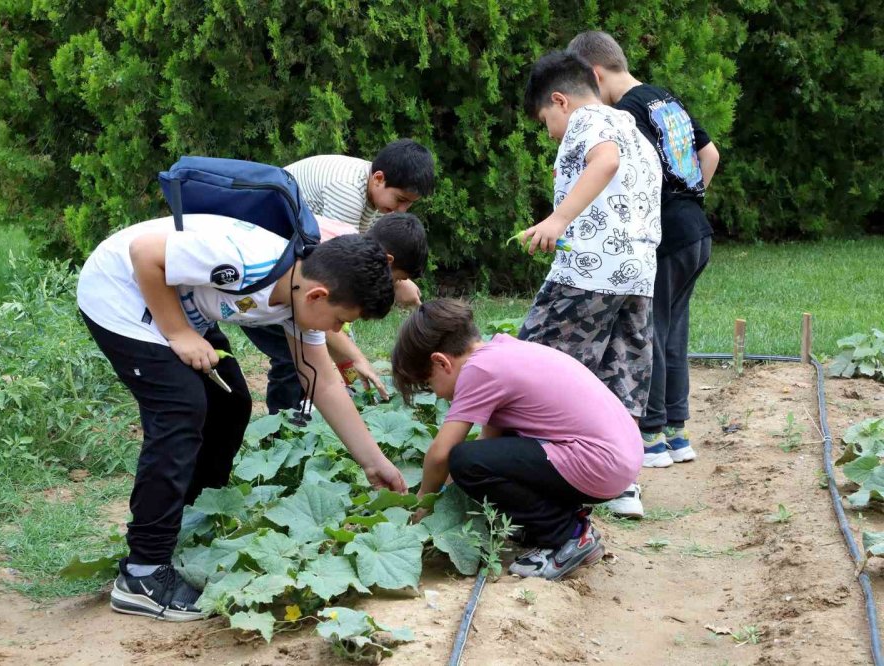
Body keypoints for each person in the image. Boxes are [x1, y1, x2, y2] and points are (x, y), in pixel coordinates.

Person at [77, 214, 406, 621]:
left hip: (177, 300)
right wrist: (179, 334)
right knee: (181, 408)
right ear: (318, 296)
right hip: (121, 292)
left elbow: (321, 381)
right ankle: (143, 574)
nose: (339, 330)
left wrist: (375, 463)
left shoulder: (298, 293)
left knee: (229, 403)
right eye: (342, 321)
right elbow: (145, 254)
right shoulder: (244, 262)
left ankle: (185, 523)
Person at [392, 299, 642, 580]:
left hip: (599, 465)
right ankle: (560, 519)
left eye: (429, 384)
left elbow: (442, 454)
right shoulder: (502, 351)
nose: (436, 393)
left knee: (463, 458)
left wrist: (424, 502)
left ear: (441, 362)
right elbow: (492, 442)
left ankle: (566, 536)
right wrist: (449, 503)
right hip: (617, 460)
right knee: (479, 457)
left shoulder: (479, 370)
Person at [515, 50, 662, 519]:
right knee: (623, 367)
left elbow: (605, 161)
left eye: (545, 120)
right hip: (637, 273)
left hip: (589, 271)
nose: (549, 132)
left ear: (561, 101)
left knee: (534, 361)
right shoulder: (632, 127)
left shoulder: (587, 121)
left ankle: (531, 477)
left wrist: (558, 219)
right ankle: (622, 484)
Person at [568, 31, 720, 467]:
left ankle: (650, 436)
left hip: (667, 236)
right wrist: (688, 201)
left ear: (594, 75)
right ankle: (676, 431)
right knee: (674, 331)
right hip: (696, 231)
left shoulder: (627, 112)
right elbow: (710, 154)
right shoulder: (663, 98)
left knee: (649, 330)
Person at [241, 211, 429, 414]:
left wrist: (354, 375)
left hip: (279, 295)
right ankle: (282, 421)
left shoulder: (355, 247)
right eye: (397, 279)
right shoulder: (341, 260)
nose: (394, 284)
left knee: (309, 353)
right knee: (291, 357)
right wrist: (357, 358)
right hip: (261, 287)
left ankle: (298, 410)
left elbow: (331, 329)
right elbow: (323, 319)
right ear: (387, 261)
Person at [285, 138, 435, 307]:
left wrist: (398, 276)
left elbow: (369, 248)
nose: (402, 210)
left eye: (410, 203)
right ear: (378, 178)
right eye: (400, 199)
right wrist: (396, 283)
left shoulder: (379, 196)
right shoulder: (348, 189)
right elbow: (343, 261)